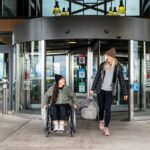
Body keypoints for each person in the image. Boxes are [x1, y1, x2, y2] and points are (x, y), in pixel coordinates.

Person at [90, 47, 128, 136]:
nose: (107, 58)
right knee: (101, 108)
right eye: (106, 56)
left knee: (108, 109)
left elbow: (122, 80)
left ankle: (106, 128)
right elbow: (97, 77)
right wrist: (92, 89)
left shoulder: (118, 67)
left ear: (113, 57)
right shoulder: (103, 65)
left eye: (108, 56)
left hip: (110, 92)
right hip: (100, 90)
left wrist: (125, 93)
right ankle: (101, 120)